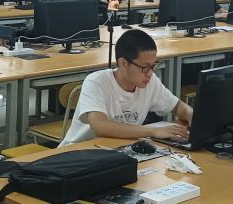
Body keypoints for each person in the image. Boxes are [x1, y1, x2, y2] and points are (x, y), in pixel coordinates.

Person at [59, 29, 193, 146]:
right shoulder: (96, 82)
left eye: (153, 66)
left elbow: (177, 107)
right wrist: (153, 131)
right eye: (145, 67)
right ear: (123, 63)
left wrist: (191, 115)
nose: (150, 73)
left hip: (118, 150)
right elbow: (100, 126)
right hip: (79, 150)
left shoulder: (149, 81)